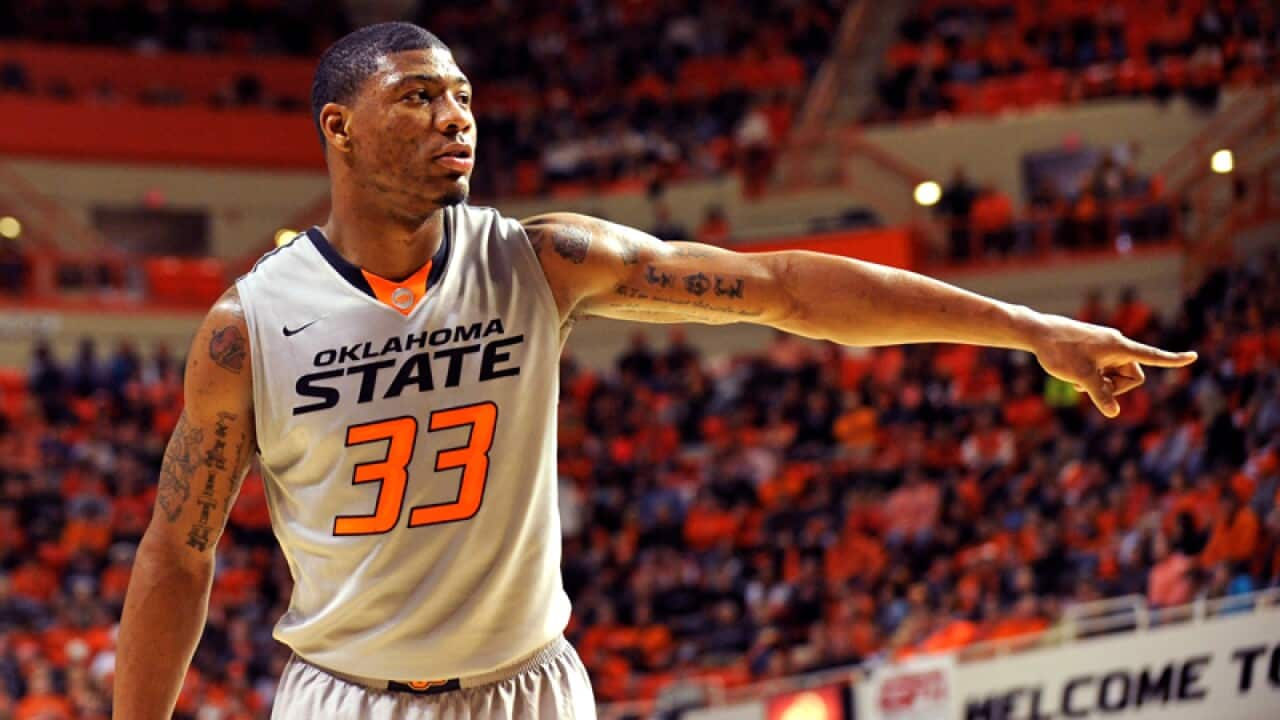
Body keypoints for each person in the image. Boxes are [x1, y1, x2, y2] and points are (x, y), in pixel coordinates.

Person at [112, 22, 1198, 720]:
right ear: (337, 130)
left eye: (463, 99)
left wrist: (1027, 328)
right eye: (419, 98)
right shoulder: (248, 330)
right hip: (347, 696)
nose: (455, 119)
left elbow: (783, 287)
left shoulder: (538, 259)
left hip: (529, 687)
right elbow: (178, 547)